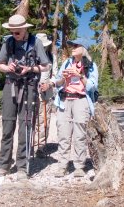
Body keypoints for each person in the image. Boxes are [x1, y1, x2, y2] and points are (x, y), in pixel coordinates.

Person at [0, 14, 50, 180]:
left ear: (25, 29)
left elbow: (45, 67)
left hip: (28, 86)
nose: (14, 34)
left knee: (25, 126)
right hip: (10, 85)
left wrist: (30, 69)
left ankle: (22, 167)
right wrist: (8, 68)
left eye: (17, 31)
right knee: (7, 125)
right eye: (12, 31)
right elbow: (0, 64)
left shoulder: (35, 42)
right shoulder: (8, 42)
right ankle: (4, 165)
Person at [51, 37, 98, 178]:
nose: (72, 47)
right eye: (72, 45)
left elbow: (93, 86)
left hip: (81, 100)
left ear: (83, 49)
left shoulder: (91, 65)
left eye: (76, 46)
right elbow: (58, 81)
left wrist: (80, 75)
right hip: (65, 99)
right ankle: (62, 166)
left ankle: (79, 166)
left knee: (80, 135)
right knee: (63, 133)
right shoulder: (66, 63)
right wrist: (62, 79)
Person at [34, 33, 57, 157]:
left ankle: (41, 147)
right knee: (31, 120)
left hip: (46, 93)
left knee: (44, 120)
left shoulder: (51, 57)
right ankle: (30, 145)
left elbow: (56, 75)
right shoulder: (30, 56)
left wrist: (49, 84)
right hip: (31, 92)